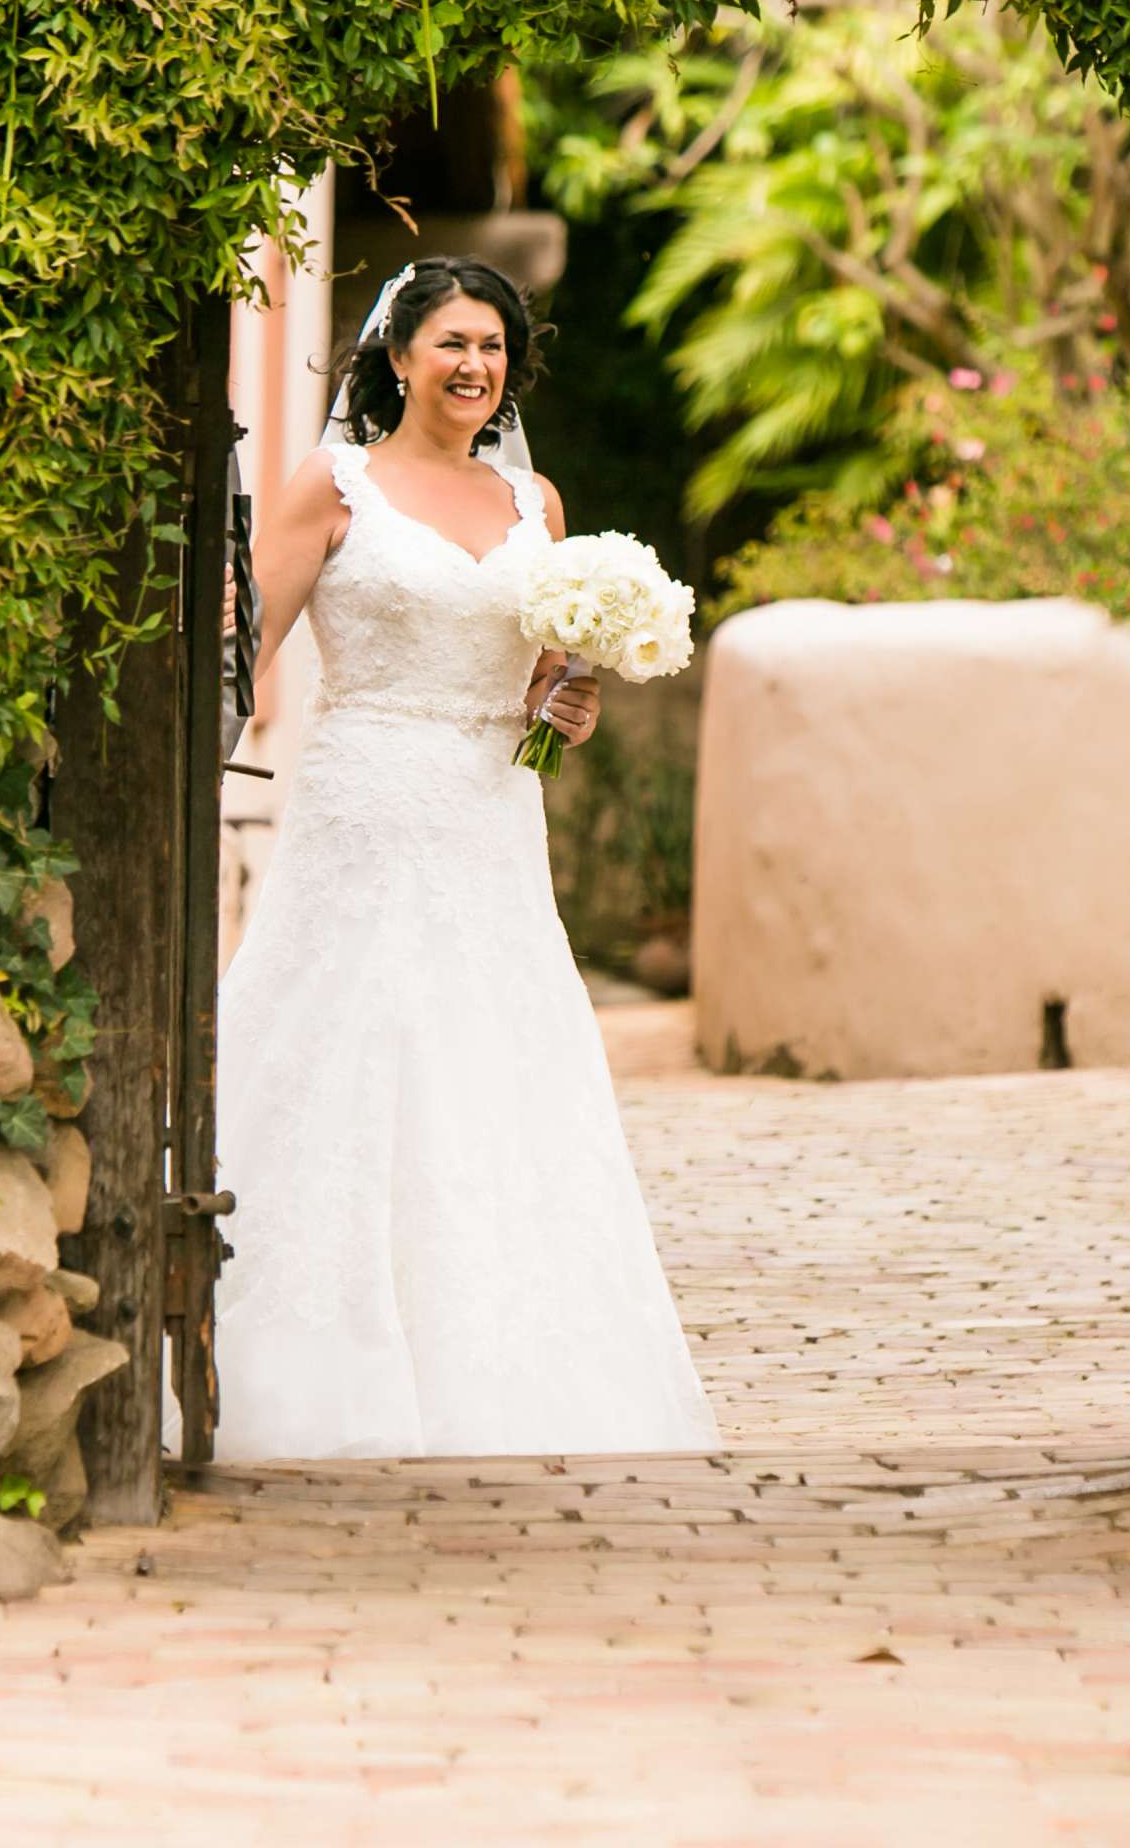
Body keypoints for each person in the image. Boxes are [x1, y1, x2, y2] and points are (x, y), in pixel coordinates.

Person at [210, 255, 719, 1459]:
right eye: (449, 344)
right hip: (366, 803)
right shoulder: (331, 484)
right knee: (351, 1051)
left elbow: (539, 678)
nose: (473, 367)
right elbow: (250, 651)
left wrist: (565, 711)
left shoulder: (531, 505)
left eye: (491, 347)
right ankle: (320, 1369)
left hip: (492, 820)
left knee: (497, 1062)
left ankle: (507, 1359)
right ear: (397, 358)